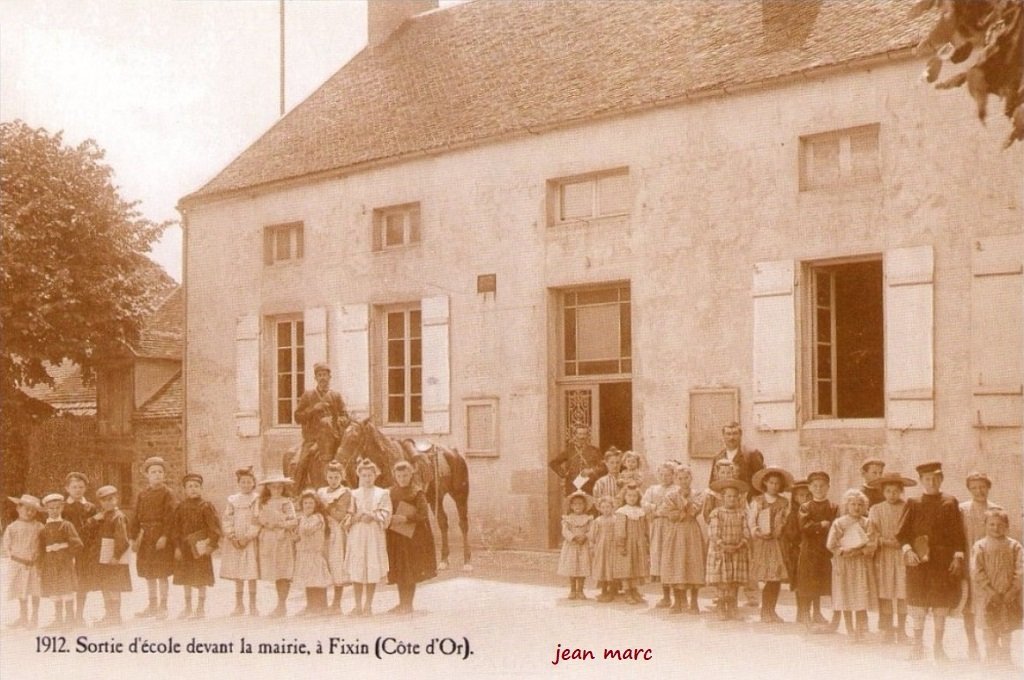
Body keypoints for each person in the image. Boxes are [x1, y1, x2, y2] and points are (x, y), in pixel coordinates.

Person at [897, 461, 967, 662]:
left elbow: (957, 534)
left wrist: (957, 556)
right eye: (927, 478)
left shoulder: (950, 502)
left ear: (942, 479)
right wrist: (908, 550)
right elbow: (902, 534)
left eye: (936, 477)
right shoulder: (913, 502)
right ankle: (918, 646)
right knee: (918, 603)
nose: (932, 482)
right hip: (918, 562)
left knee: (940, 603)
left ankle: (938, 646)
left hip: (942, 563)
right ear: (921, 481)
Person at [868, 472, 916, 644]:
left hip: (902, 554)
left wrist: (904, 544)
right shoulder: (876, 509)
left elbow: (912, 530)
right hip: (884, 556)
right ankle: (888, 630)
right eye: (888, 491)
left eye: (896, 491)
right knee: (886, 592)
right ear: (883, 492)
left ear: (901, 491)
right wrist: (885, 541)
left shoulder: (908, 507)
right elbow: (871, 532)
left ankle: (902, 631)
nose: (892, 494)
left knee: (902, 592)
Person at [970, 508, 1023, 666]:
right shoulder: (980, 546)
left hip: (1009, 594)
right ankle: (991, 654)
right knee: (988, 626)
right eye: (991, 524)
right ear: (985, 525)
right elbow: (976, 569)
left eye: (1000, 524)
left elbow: (1021, 569)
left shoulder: (1014, 546)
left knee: (1006, 625)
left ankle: (1006, 655)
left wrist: (1013, 590)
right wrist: (989, 590)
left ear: (1007, 526)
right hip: (987, 595)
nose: (996, 528)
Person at [960, 471, 1003, 660]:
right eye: (974, 487)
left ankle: (995, 645)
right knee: (969, 605)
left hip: (991, 562)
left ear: (989, 487)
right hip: (969, 560)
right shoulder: (962, 509)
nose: (979, 491)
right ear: (969, 489)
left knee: (992, 601)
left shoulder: (996, 509)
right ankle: (972, 644)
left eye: (982, 486)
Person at [826, 489, 878, 643]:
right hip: (844, 565)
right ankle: (850, 630)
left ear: (865, 506)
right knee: (846, 595)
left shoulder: (867, 523)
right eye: (853, 504)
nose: (856, 507)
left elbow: (872, 544)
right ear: (846, 505)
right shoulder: (839, 523)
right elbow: (831, 544)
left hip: (861, 564)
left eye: (860, 504)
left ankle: (861, 631)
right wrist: (842, 551)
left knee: (860, 595)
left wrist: (860, 551)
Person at [386, 460, 437, 613]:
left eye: (405, 475)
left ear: (411, 475)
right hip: (396, 536)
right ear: (394, 475)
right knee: (400, 568)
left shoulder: (417, 491)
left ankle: (408, 604)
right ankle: (401, 603)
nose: (402, 478)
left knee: (410, 569)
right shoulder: (390, 492)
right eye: (399, 475)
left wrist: (406, 519)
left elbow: (423, 514)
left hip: (413, 537)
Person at [169, 473, 222, 620]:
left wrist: (211, 544)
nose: (193, 489)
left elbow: (214, 528)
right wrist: (177, 547)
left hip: (201, 548)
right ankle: (187, 607)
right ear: (185, 490)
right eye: (190, 486)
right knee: (185, 577)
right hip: (185, 548)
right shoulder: (180, 507)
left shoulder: (206, 506)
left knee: (201, 578)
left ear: (201, 488)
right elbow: (175, 529)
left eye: (196, 486)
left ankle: (200, 608)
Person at [130, 456, 177, 619]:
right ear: (147, 475)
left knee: (162, 573)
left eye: (160, 472)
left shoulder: (168, 494)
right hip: (145, 537)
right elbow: (135, 516)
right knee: (149, 573)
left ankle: (163, 607)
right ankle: (152, 605)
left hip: (160, 536)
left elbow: (170, 518)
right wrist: (133, 537)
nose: (157, 475)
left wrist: (165, 536)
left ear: (164, 475)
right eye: (153, 472)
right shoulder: (142, 494)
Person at [345, 459, 392, 616]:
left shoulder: (382, 493)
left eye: (370, 475)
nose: (367, 478)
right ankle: (357, 605)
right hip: (358, 533)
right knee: (358, 566)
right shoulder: (353, 494)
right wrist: (355, 517)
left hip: (373, 533)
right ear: (359, 476)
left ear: (375, 475)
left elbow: (386, 512)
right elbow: (348, 514)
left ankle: (368, 605)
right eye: (364, 475)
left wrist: (373, 515)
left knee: (371, 566)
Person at [293, 362, 350, 491]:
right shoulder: (308, 395)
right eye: (319, 375)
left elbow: (345, 415)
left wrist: (341, 420)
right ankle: (296, 491)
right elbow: (297, 417)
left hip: (334, 438)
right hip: (313, 439)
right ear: (316, 378)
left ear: (330, 377)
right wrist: (314, 409)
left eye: (325, 375)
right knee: (302, 462)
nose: (322, 378)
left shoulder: (336, 396)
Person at [748, 467, 793, 623]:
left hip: (778, 543)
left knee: (776, 578)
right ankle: (764, 611)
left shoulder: (784, 502)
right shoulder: (758, 501)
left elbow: (787, 520)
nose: (774, 486)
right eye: (771, 482)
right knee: (768, 578)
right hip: (763, 542)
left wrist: (781, 525)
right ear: (765, 483)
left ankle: (771, 610)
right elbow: (752, 521)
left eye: (777, 484)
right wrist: (757, 531)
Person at [659, 465, 705, 614]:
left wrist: (681, 510)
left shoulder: (698, 494)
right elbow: (669, 513)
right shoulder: (670, 495)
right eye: (680, 478)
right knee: (676, 562)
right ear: (676, 479)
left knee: (693, 563)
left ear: (691, 478)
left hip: (691, 531)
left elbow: (693, 511)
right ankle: (678, 600)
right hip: (676, 532)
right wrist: (680, 511)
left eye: (686, 478)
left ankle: (694, 602)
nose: (683, 481)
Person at [797, 471, 839, 630]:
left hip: (826, 550)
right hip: (810, 551)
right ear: (810, 488)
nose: (819, 489)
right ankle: (806, 615)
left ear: (828, 487)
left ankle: (818, 612)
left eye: (822, 486)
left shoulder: (833, 507)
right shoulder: (805, 507)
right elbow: (804, 527)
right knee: (809, 583)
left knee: (823, 582)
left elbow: (836, 526)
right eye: (815, 486)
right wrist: (820, 525)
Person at [706, 478, 751, 621]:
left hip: (738, 551)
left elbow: (746, 530)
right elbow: (713, 532)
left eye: (734, 496)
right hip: (721, 551)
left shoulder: (742, 513)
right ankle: (721, 608)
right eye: (728, 496)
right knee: (722, 582)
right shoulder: (716, 513)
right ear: (722, 498)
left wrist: (740, 543)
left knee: (734, 582)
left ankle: (733, 608)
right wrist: (722, 544)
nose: (732, 499)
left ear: (738, 498)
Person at [87, 485, 132, 627]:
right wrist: (95, 519)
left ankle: (116, 616)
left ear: (116, 499)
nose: (108, 502)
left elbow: (123, 539)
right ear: (100, 503)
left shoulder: (118, 517)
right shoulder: (102, 516)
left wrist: (116, 556)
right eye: (104, 500)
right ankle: (109, 615)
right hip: (103, 558)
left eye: (111, 499)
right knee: (105, 586)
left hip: (113, 558)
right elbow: (88, 528)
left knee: (114, 587)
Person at [38, 493, 83, 629]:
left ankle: (69, 620)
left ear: (62, 508)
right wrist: (41, 565)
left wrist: (68, 555)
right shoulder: (43, 528)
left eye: (57, 507)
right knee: (55, 590)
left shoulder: (66, 525)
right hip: (50, 563)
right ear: (46, 509)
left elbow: (78, 544)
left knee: (66, 588)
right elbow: (40, 548)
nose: (54, 510)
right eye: (51, 508)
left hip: (64, 562)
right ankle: (58, 620)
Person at [256, 472, 297, 617]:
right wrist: (267, 523)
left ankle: (282, 605)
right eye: (274, 487)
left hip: (282, 539)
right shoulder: (264, 503)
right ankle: (279, 604)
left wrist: (280, 523)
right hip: (269, 539)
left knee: (283, 571)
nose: (277, 490)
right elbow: (258, 518)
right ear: (268, 488)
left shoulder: (287, 502)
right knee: (274, 571)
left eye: (280, 487)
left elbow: (293, 521)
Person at [221, 466, 260, 616]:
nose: (246, 485)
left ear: (253, 483)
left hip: (249, 540)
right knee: (238, 572)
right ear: (239, 483)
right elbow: (227, 518)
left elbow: (257, 520)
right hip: (235, 540)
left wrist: (247, 537)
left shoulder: (256, 499)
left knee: (250, 571)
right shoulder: (233, 500)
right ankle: (239, 605)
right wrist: (232, 536)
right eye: (243, 482)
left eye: (249, 482)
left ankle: (252, 605)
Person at [62, 472, 96, 625]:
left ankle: (79, 615)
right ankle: (69, 615)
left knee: (82, 580)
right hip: (68, 549)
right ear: (67, 488)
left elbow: (95, 529)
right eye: (74, 487)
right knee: (68, 580)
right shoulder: (62, 507)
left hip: (85, 549)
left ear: (86, 488)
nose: (77, 490)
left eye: (81, 487)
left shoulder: (90, 507)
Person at [3, 495, 42, 629]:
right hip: (19, 564)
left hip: (34, 564)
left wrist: (38, 557)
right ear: (18, 508)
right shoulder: (12, 527)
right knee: (22, 590)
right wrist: (13, 557)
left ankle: (35, 617)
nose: (30, 512)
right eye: (26, 509)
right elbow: (7, 545)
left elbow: (43, 543)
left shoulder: (39, 527)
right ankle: (23, 617)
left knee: (35, 590)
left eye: (33, 510)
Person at [292, 489, 332, 616]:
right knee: (308, 579)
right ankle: (310, 605)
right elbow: (298, 536)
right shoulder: (303, 518)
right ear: (301, 505)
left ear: (316, 505)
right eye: (305, 503)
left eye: (311, 503)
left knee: (317, 579)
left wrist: (298, 523)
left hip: (314, 553)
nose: (308, 506)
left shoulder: (317, 518)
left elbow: (307, 530)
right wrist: (295, 535)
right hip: (304, 553)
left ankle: (321, 606)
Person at [643, 461, 678, 605]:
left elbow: (675, 506)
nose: (664, 478)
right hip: (658, 527)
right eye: (662, 475)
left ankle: (677, 596)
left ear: (673, 476)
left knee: (672, 559)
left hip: (672, 526)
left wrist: (661, 510)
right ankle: (665, 596)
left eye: (668, 475)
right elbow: (644, 503)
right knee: (661, 559)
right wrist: (653, 508)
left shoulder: (676, 489)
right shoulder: (653, 489)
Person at [320, 461, 352, 613]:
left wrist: (326, 507)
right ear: (326, 477)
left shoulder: (345, 493)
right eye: (330, 477)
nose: (333, 480)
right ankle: (322, 603)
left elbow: (340, 515)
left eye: (336, 477)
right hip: (320, 531)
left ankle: (337, 603)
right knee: (322, 564)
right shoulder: (320, 492)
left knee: (336, 564)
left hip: (336, 531)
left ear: (342, 477)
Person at [614, 483, 650, 604]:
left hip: (638, 543)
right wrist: (621, 545)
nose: (632, 498)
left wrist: (646, 541)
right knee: (626, 567)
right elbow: (620, 530)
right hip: (627, 543)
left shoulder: (640, 511)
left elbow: (645, 528)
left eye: (635, 496)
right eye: (629, 496)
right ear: (625, 497)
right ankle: (627, 591)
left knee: (636, 567)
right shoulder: (622, 512)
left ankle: (634, 589)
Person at [708, 422, 764, 495]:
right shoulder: (718, 457)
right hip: (725, 502)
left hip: (747, 501)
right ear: (723, 436)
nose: (731, 438)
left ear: (740, 435)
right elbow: (713, 482)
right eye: (728, 434)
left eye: (735, 433)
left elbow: (761, 481)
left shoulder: (751, 454)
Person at [549, 425, 605, 498]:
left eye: (584, 434)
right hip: (572, 486)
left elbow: (603, 467)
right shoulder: (569, 451)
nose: (582, 437)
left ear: (588, 436)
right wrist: (564, 474)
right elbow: (553, 463)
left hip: (589, 485)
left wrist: (591, 470)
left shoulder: (594, 451)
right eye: (580, 434)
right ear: (575, 435)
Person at [557, 490, 594, 601]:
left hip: (583, 546)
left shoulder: (588, 519)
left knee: (582, 567)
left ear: (585, 506)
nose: (578, 506)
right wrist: (573, 537)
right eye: (575, 504)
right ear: (571, 506)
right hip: (571, 546)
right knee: (572, 567)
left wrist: (585, 536)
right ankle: (573, 590)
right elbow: (565, 531)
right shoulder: (567, 519)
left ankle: (581, 590)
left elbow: (591, 530)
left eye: (580, 504)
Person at [782, 478, 810, 622]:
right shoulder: (792, 514)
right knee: (799, 582)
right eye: (800, 495)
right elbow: (790, 534)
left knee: (810, 581)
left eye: (807, 495)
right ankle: (801, 611)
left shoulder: (813, 511)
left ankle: (809, 611)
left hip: (811, 551)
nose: (804, 499)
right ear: (795, 497)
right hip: (797, 552)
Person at [589, 496, 618, 602]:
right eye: (603, 507)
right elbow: (592, 535)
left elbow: (619, 533)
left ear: (612, 507)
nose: (606, 509)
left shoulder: (616, 519)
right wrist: (592, 546)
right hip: (601, 548)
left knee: (611, 568)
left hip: (613, 547)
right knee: (602, 568)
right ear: (599, 508)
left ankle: (612, 592)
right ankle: (603, 591)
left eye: (608, 507)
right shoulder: (598, 521)